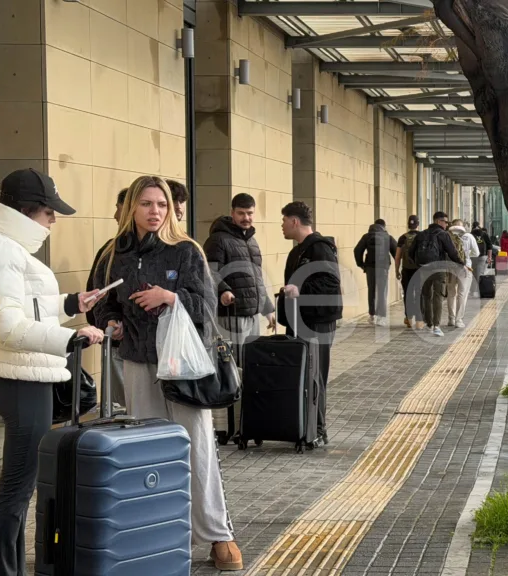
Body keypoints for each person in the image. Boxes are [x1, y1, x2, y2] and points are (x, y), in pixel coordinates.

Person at [92, 175, 242, 571]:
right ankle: (156, 534)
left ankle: (217, 534)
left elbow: (207, 306)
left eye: (160, 204)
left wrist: (170, 297)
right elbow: (100, 302)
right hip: (138, 362)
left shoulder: (186, 251)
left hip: (184, 366)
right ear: (131, 209)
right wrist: (112, 322)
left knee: (198, 449)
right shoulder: (111, 254)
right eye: (145, 204)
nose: (154, 211)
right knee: (148, 453)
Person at [0, 168, 105, 576]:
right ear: (26, 212)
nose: (53, 220)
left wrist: (70, 304)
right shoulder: (0, 249)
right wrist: (71, 339)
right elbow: (7, 327)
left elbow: (25, 308)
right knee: (15, 490)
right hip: (21, 378)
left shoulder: (3, 245)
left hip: (25, 375)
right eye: (49, 212)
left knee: (18, 488)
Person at [280, 201, 342, 446]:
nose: (281, 226)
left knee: (315, 376)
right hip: (298, 321)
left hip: (318, 322)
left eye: (283, 220)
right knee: (302, 375)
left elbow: (330, 284)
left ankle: (317, 428)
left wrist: (300, 289)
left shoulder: (320, 248)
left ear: (294, 221)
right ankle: (303, 426)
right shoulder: (297, 251)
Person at [203, 192, 276, 359]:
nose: (246, 217)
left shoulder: (251, 241)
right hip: (232, 313)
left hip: (253, 315)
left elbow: (257, 279)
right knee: (234, 363)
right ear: (232, 213)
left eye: (250, 213)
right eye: (241, 213)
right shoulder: (218, 240)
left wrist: (267, 309)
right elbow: (209, 271)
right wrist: (223, 290)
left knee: (251, 361)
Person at [86, 188, 129, 410]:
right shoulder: (111, 251)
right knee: (123, 412)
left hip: (159, 350)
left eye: (118, 209)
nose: (115, 215)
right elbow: (98, 295)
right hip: (119, 343)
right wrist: (108, 322)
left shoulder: (179, 250)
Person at [413, 211, 462, 336]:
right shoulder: (443, 234)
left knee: (426, 296)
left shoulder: (421, 234)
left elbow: (410, 252)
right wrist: (461, 263)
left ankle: (428, 324)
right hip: (439, 268)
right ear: (438, 221)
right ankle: (436, 326)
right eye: (445, 222)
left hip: (423, 268)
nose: (446, 224)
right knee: (438, 296)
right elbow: (452, 252)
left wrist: (418, 264)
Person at [354, 218, 397, 326]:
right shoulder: (387, 237)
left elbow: (357, 250)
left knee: (371, 290)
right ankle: (381, 318)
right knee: (382, 291)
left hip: (370, 267)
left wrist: (361, 264)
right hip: (383, 267)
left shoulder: (367, 236)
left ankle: (372, 316)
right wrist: (396, 266)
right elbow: (396, 252)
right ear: (384, 226)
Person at [446, 219, 479, 328]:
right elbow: (477, 253)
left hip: (450, 267)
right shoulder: (469, 237)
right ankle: (458, 320)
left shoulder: (447, 237)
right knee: (462, 294)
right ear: (462, 227)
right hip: (465, 268)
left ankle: (451, 318)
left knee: (451, 294)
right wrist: (467, 255)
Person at [395, 215, 422, 329]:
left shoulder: (402, 238)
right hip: (420, 270)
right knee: (420, 294)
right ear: (418, 224)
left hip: (406, 270)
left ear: (408, 225)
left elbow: (397, 257)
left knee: (408, 294)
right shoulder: (422, 236)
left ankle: (409, 318)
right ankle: (420, 321)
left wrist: (396, 270)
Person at [470, 222, 492, 296]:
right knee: (480, 274)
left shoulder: (470, 234)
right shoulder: (484, 234)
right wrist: (489, 257)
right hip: (482, 256)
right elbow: (489, 246)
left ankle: (473, 291)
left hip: (472, 256)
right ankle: (481, 290)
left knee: (473, 274)